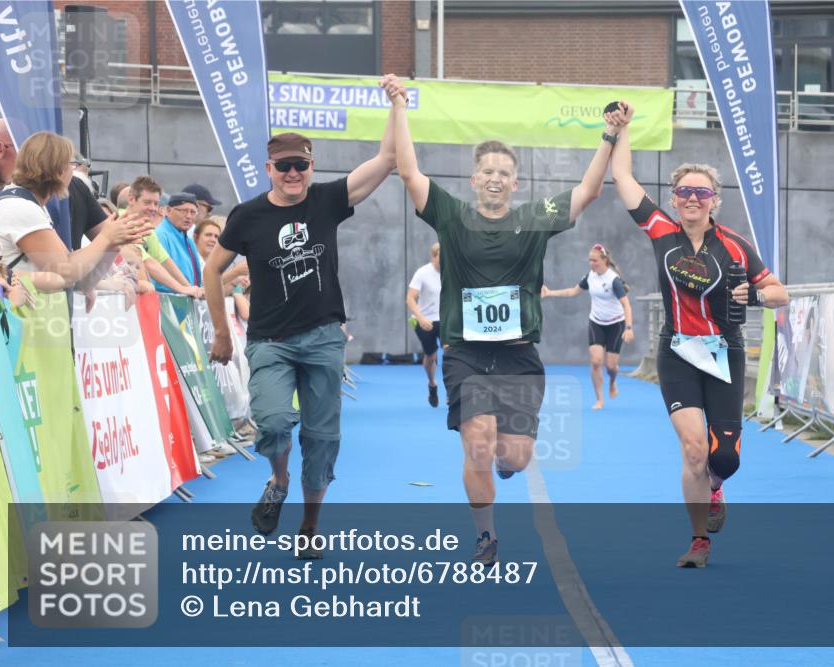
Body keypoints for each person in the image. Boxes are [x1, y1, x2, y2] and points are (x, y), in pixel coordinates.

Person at [385, 74, 615, 564]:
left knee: (514, 456)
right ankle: (486, 536)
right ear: (474, 180)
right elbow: (408, 172)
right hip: (465, 353)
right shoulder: (450, 216)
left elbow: (589, 191)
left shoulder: (533, 217)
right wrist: (399, 105)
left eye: (503, 172)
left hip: (517, 356)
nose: (494, 177)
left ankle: (508, 466)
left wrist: (610, 136)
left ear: (516, 182)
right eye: (486, 170)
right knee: (477, 443)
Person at [204, 85, 398, 558]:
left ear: (311, 167)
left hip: (324, 338)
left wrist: (396, 105)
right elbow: (212, 269)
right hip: (270, 339)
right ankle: (279, 478)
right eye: (284, 166)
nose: (293, 173)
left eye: (301, 165)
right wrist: (223, 333)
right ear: (269, 168)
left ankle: (309, 528)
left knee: (322, 438)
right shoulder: (247, 216)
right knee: (272, 422)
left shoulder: (328, 200)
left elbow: (389, 159)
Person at [606, 102, 789, 568]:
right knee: (692, 449)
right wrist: (621, 130)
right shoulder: (660, 230)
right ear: (673, 199)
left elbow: (779, 292)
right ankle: (699, 540)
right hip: (677, 351)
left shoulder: (735, 245)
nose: (692, 198)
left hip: (724, 353)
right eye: (684, 191)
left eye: (701, 193)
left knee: (723, 457)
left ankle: (717, 484)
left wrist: (756, 296)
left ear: (714, 200)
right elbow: (623, 178)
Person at [0, 132, 147, 293]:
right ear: (59, 170)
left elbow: (80, 281)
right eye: (72, 164)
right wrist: (106, 237)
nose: (73, 171)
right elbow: (67, 272)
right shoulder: (21, 207)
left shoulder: (26, 204)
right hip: (18, 315)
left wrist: (112, 244)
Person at [542, 243, 634, 410]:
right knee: (596, 362)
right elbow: (573, 291)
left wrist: (628, 328)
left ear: (604, 260)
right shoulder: (590, 277)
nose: (591, 264)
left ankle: (613, 381)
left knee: (611, 366)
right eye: (590, 260)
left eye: (595, 261)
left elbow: (626, 305)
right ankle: (599, 399)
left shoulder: (614, 280)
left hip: (616, 325)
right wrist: (550, 293)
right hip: (596, 323)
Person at [406, 242, 442, 407]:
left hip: (445, 319)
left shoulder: (453, 271)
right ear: (434, 256)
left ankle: (452, 391)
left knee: (451, 353)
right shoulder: (422, 273)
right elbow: (410, 298)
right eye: (441, 257)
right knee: (431, 356)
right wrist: (421, 318)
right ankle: (432, 384)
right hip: (424, 320)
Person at [154, 192, 203, 292]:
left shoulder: (188, 240)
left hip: (189, 301)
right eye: (184, 211)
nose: (189, 216)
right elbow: (159, 277)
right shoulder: (160, 235)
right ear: (168, 210)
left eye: (193, 212)